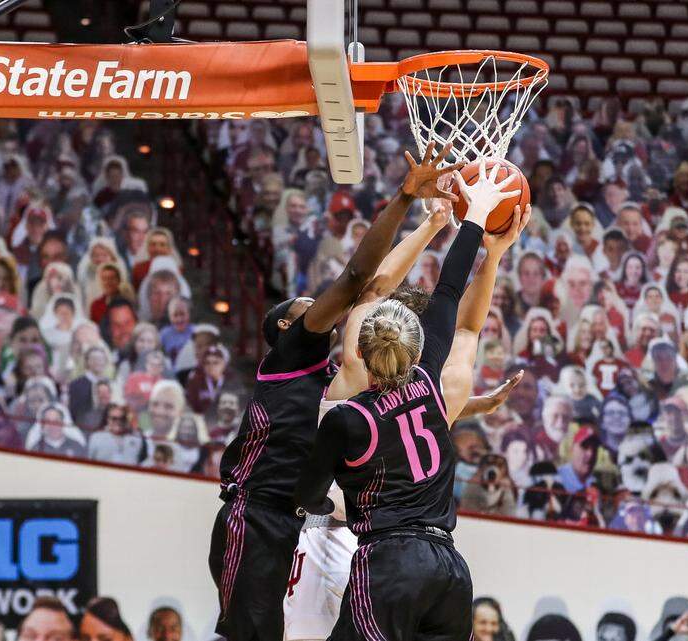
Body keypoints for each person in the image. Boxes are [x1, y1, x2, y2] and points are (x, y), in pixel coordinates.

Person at [210, 143, 461, 641]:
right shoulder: (289, 358)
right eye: (307, 306)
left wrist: (433, 225)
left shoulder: (333, 380)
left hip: (303, 524)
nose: (319, 306)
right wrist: (406, 198)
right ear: (287, 325)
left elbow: (373, 295)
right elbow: (358, 283)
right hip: (257, 514)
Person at [295, 160, 522, 641]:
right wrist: (484, 237)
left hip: (363, 551)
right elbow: (459, 312)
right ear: (417, 347)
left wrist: (432, 222)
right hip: (447, 563)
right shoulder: (437, 389)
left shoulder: (349, 404)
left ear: (358, 348)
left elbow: (371, 287)